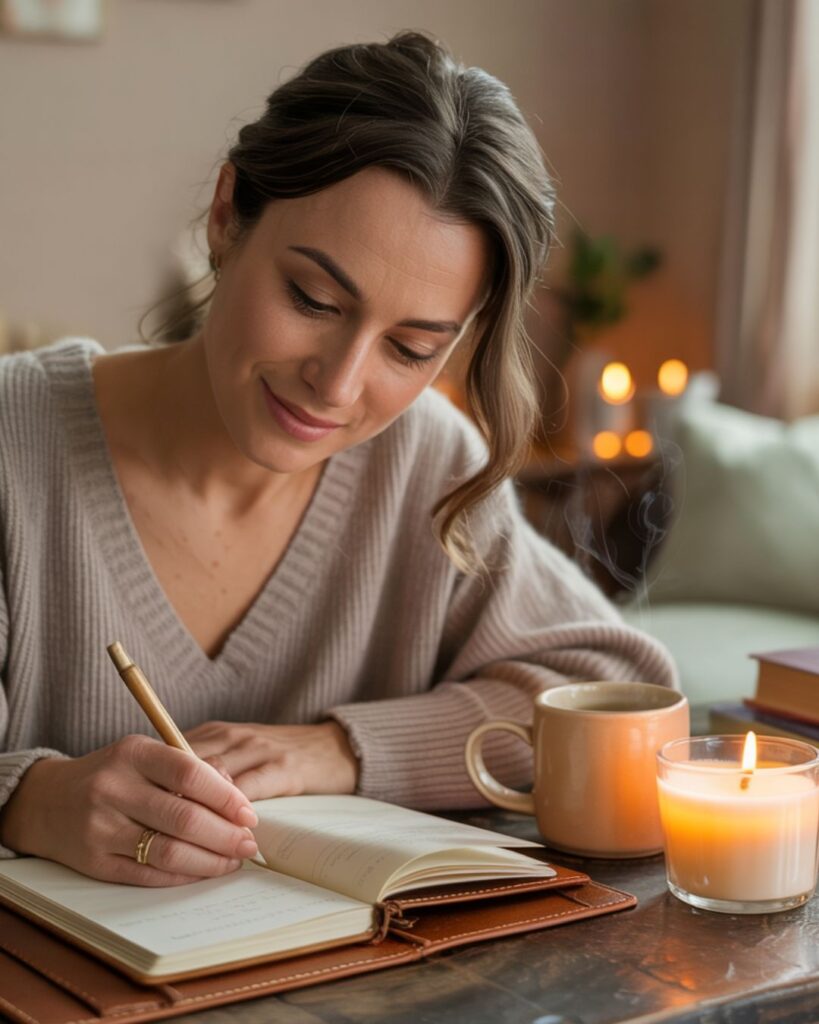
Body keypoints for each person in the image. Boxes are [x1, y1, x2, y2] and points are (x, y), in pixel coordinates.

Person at [0, 31, 677, 886]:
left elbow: (618, 690)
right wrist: (29, 800)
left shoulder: (424, 459)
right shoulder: (14, 444)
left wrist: (339, 749)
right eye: (312, 299)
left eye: (411, 347)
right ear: (225, 216)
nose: (338, 384)